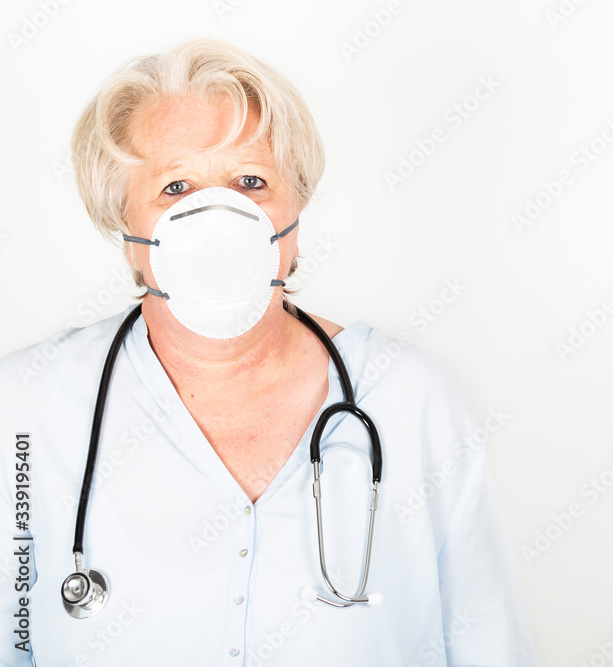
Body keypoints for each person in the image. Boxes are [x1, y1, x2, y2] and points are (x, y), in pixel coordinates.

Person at [0, 38, 539, 666]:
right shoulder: (28, 408)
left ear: (296, 216)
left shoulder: (410, 403)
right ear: (126, 231)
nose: (216, 217)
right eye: (176, 187)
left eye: (250, 182)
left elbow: (490, 647)